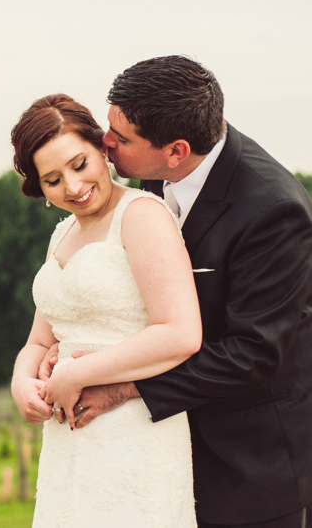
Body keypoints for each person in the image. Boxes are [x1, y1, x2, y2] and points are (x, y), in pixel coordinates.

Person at [36, 56, 312, 527]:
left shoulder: (273, 210)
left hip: (248, 463)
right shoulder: (151, 170)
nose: (105, 140)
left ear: (176, 152)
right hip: (155, 451)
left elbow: (251, 353)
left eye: (120, 137)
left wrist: (125, 387)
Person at [9, 92, 202, 526]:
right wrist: (22, 381)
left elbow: (181, 333)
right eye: (53, 179)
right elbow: (40, 340)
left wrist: (76, 374)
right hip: (68, 441)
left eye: (79, 165)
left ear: (102, 148)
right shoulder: (61, 235)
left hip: (134, 431)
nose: (73, 187)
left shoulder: (141, 215)